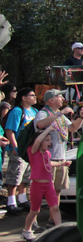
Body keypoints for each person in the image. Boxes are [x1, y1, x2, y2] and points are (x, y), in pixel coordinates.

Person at [34, 89, 83, 224]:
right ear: (51, 100)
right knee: (42, 192)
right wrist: (60, 113)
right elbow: (40, 124)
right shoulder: (43, 113)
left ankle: (52, 219)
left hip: (60, 158)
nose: (62, 98)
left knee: (56, 191)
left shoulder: (60, 116)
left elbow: (72, 128)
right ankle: (33, 221)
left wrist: (80, 117)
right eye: (59, 96)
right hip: (47, 159)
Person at [21, 125, 71, 241]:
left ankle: (59, 230)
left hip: (48, 185)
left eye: (50, 140)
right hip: (37, 185)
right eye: (47, 140)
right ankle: (26, 230)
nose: (49, 142)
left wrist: (62, 164)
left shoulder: (47, 154)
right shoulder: (32, 151)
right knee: (35, 210)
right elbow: (38, 140)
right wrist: (48, 129)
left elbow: (49, 163)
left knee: (55, 208)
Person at [3, 87, 38, 215]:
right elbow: (10, 130)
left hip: (29, 149)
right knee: (15, 175)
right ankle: (11, 202)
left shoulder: (34, 111)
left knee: (26, 176)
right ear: (23, 98)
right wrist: (14, 147)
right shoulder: (17, 111)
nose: (34, 97)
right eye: (31, 95)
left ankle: (22, 199)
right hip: (18, 149)